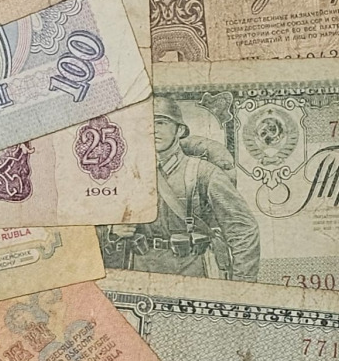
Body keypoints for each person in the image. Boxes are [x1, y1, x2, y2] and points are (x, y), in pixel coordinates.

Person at [101, 97, 261, 280]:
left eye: (160, 122)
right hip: (140, 270)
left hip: (193, 270)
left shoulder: (204, 173)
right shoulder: (127, 176)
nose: (153, 129)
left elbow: (243, 230)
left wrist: (242, 285)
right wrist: (111, 231)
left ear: (180, 130)